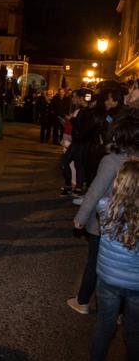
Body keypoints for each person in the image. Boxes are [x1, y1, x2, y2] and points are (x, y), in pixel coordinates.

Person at [69, 115, 139, 315]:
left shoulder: (112, 160)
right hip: (133, 223)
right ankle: (118, 312)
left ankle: (82, 301)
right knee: (127, 268)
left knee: (95, 263)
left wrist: (80, 218)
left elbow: (95, 191)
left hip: (106, 220)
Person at [90, 159, 139, 360]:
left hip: (108, 279)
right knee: (134, 332)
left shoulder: (105, 207)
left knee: (104, 327)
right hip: (136, 285)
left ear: (118, 183)